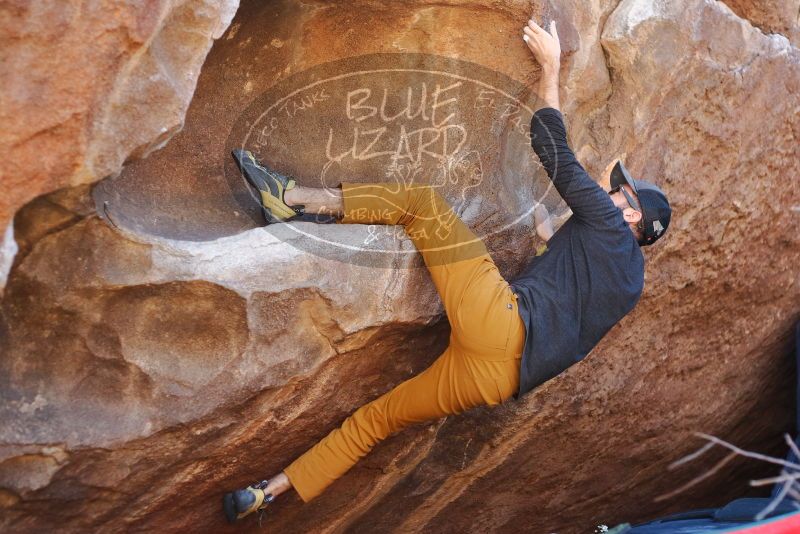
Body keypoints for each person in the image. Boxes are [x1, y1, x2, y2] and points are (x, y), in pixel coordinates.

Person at [223, 17, 672, 523]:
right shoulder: (631, 283)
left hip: (500, 324)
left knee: (422, 205)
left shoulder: (610, 227)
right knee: (377, 419)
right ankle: (266, 493)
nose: (610, 192)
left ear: (630, 213)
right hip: (495, 381)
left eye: (619, 192)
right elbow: (574, 292)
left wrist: (551, 68)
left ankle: (290, 199)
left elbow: (553, 150)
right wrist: (550, 238)